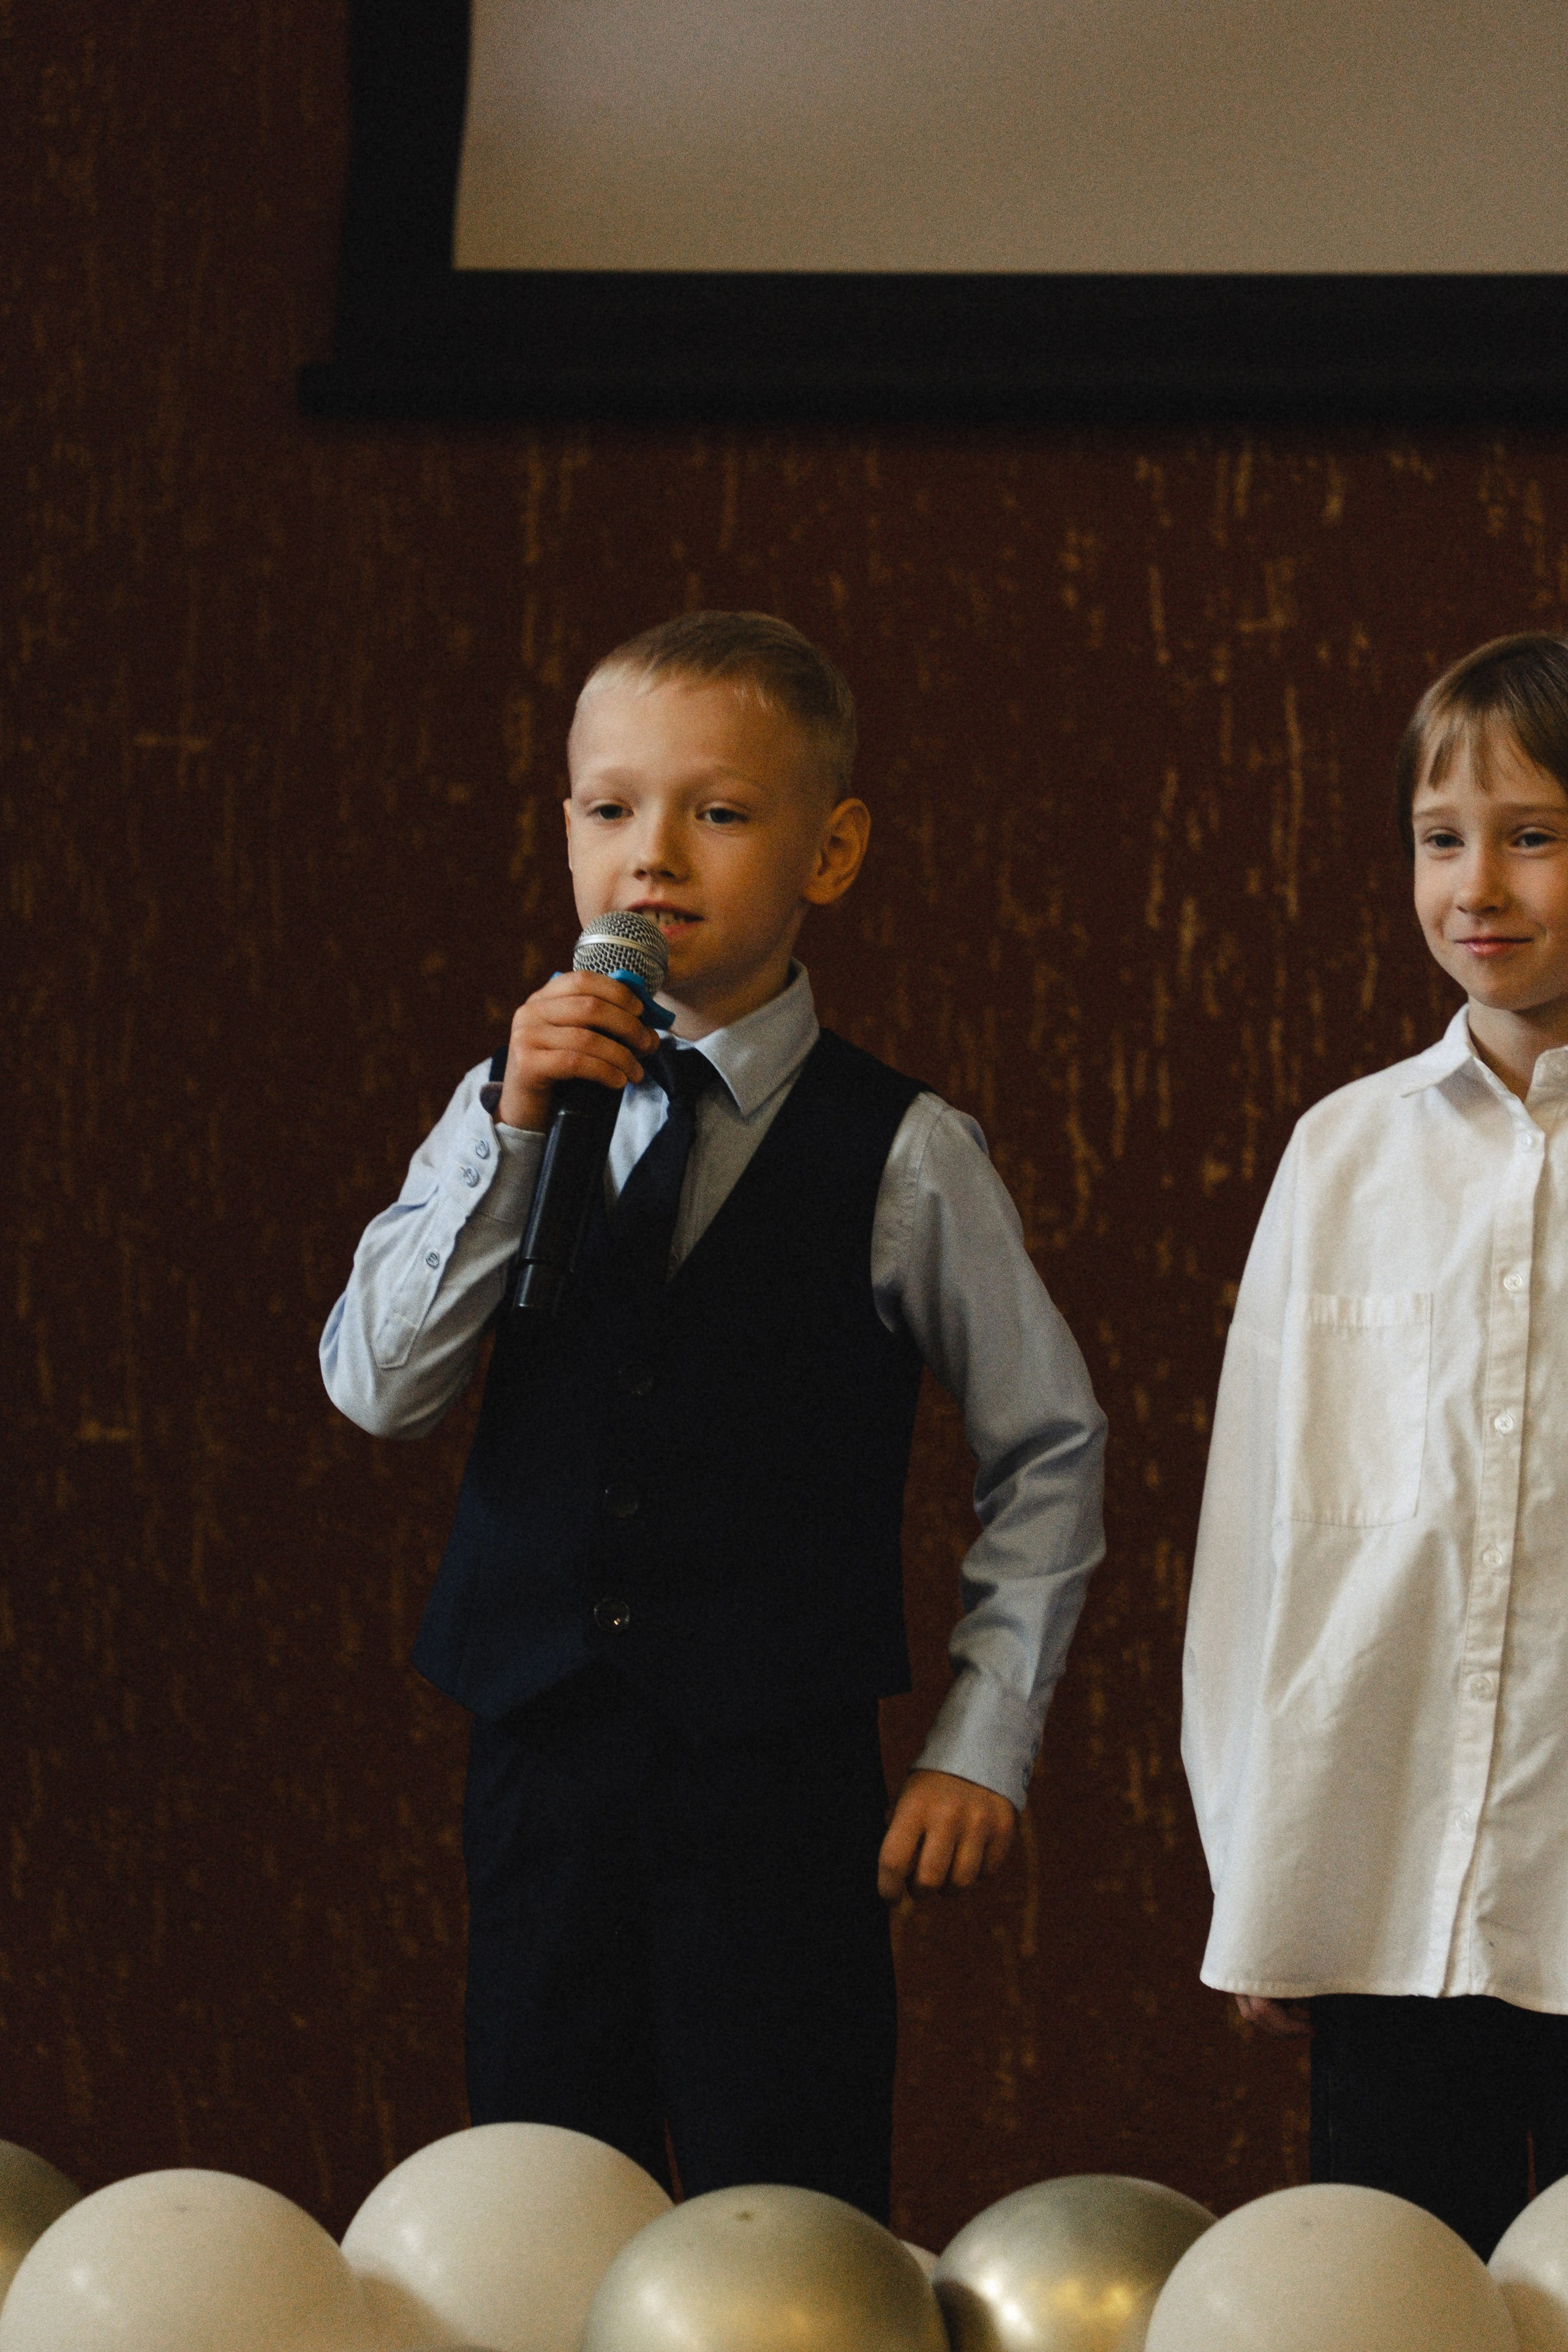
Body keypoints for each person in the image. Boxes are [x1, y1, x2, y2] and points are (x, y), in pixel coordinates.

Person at [321, 611, 1106, 2221]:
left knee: (786, 2202)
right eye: (610, 811)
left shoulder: (904, 1152)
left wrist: (984, 1735)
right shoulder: (509, 1111)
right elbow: (380, 1387)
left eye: (718, 813)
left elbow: (1049, 1444)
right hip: (538, 1758)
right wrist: (514, 1130)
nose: (652, 859)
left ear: (832, 851)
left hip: (776, 1781)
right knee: (538, 2205)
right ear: (565, 832)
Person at [1182, 630, 1568, 2258]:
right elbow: (1262, 1530)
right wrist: (1260, 1856)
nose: (1478, 883)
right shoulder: (1343, 1155)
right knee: (1389, 2286)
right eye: (1438, 837)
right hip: (1389, 1894)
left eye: (1537, 834)